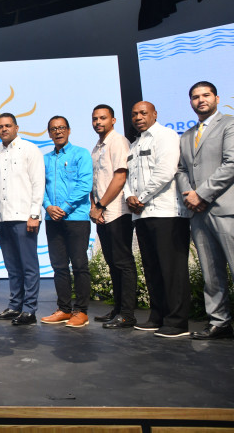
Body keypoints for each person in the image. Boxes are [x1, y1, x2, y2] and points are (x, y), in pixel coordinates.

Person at [124, 101, 191, 338]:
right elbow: (129, 177)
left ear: (154, 114)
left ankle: (178, 321)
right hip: (142, 215)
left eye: (143, 113)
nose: (138, 117)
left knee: (172, 269)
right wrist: (129, 195)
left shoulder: (166, 136)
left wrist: (140, 197)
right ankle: (158, 316)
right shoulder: (134, 144)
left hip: (167, 213)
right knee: (152, 268)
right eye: (134, 114)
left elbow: (166, 171)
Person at [177, 81, 234, 340]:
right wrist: (190, 194)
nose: (201, 100)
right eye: (195, 97)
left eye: (206, 95)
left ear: (217, 98)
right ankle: (219, 322)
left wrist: (202, 193)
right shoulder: (187, 135)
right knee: (211, 273)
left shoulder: (229, 124)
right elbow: (180, 170)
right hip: (198, 213)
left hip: (225, 209)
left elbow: (231, 163)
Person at [39, 116, 93, 328]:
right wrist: (48, 206)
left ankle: (81, 311)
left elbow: (85, 184)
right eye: (53, 129)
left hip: (76, 218)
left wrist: (66, 208)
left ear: (69, 130)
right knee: (59, 266)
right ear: (49, 133)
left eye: (61, 128)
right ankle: (64, 309)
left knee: (79, 265)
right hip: (52, 219)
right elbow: (39, 186)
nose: (58, 132)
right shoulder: (45, 159)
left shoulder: (81, 154)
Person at [0, 113, 45, 326]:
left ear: (16, 127)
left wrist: (34, 214)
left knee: (29, 265)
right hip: (3, 218)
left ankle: (29, 309)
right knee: (12, 266)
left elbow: (38, 183)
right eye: (0, 127)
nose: (4, 129)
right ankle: (15, 306)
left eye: (7, 125)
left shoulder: (30, 149)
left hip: (24, 217)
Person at [89, 104, 138, 329]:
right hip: (102, 214)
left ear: (113, 120)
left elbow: (120, 177)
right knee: (112, 264)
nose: (98, 122)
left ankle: (128, 314)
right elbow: (95, 183)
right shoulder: (97, 147)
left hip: (117, 212)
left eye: (103, 118)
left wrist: (100, 205)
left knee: (123, 263)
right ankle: (118, 309)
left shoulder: (118, 142)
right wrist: (94, 208)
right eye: (95, 119)